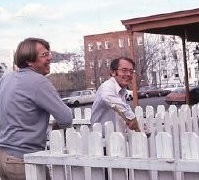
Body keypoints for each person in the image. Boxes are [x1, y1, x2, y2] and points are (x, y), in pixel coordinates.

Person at [0, 37, 73, 180]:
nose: (50, 58)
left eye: (49, 53)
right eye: (44, 55)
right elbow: (66, 118)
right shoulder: (39, 82)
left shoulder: (7, 78)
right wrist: (57, 127)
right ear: (29, 60)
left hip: (3, 157)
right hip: (23, 160)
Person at [91, 57, 140, 134]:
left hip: (117, 138)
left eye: (131, 71)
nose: (128, 74)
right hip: (102, 141)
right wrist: (131, 117)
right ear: (113, 72)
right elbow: (109, 98)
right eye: (124, 70)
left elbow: (118, 113)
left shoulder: (122, 91)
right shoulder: (107, 86)